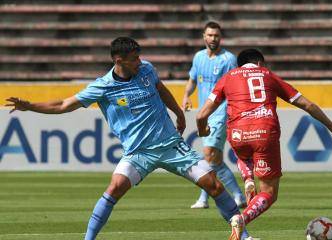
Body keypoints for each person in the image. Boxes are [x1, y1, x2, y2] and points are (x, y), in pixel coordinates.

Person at [5, 37, 253, 240]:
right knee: (113, 189)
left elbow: (160, 88)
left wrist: (178, 112)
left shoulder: (146, 70)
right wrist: (30, 106)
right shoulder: (102, 86)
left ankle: (243, 236)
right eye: (134, 58)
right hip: (138, 153)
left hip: (171, 145)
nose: (140, 61)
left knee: (215, 185)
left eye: (139, 56)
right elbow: (62, 104)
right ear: (118, 60)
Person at [196, 49, 332, 239]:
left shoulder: (228, 77)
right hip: (264, 133)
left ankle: (248, 178)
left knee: (241, 151)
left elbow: (201, 115)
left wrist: (203, 131)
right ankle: (241, 219)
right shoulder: (268, 75)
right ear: (259, 63)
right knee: (269, 193)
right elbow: (307, 105)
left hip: (238, 134)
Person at [183, 21, 246, 209]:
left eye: (216, 35)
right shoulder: (198, 57)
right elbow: (192, 79)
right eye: (210, 35)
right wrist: (186, 95)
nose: (213, 38)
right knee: (211, 158)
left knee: (209, 155)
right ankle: (205, 198)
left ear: (221, 37)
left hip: (221, 112)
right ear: (204, 36)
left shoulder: (228, 59)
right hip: (204, 113)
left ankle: (237, 194)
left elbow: (236, 87)